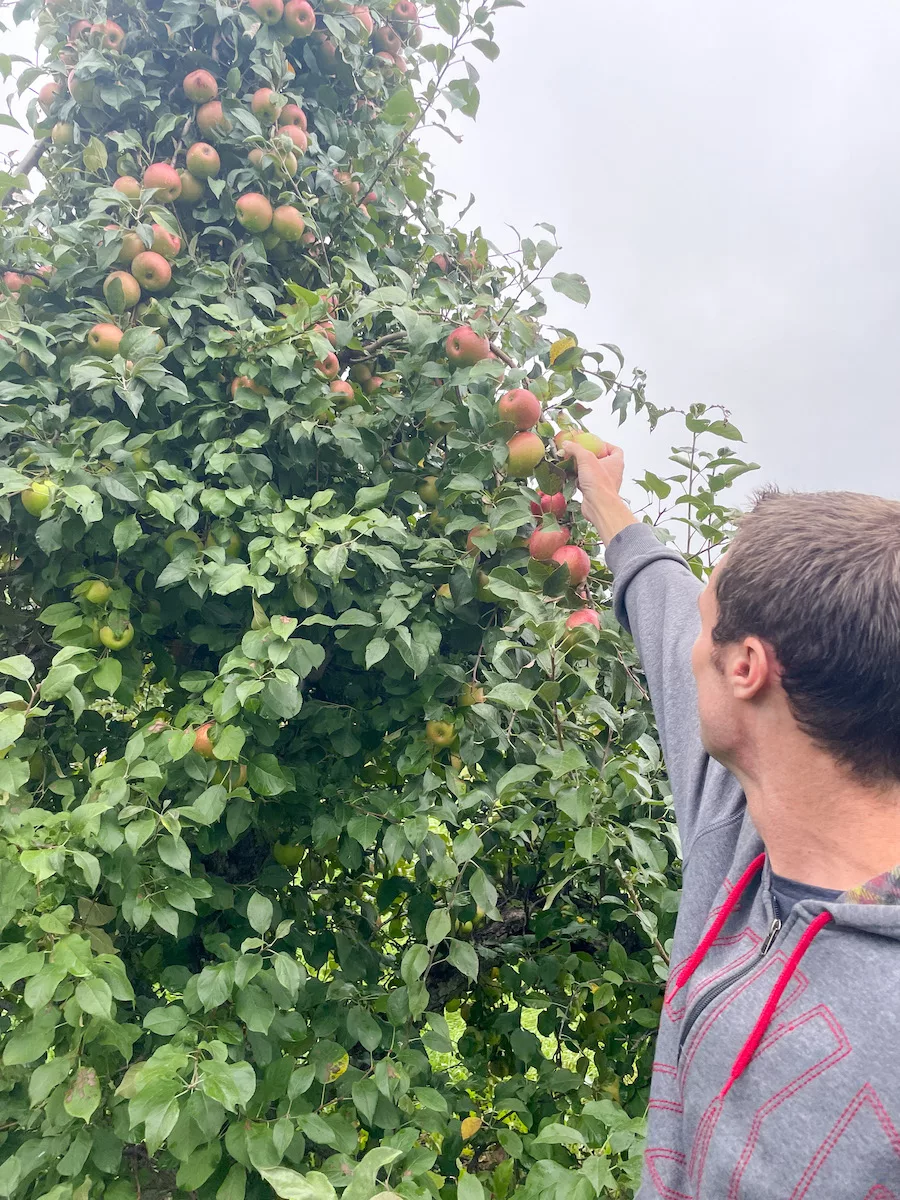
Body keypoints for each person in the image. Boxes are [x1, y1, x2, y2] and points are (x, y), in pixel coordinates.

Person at [564, 440, 900, 1199]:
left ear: (745, 668)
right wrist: (607, 504)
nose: (688, 650)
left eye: (705, 628)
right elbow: (664, 611)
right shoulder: (742, 827)